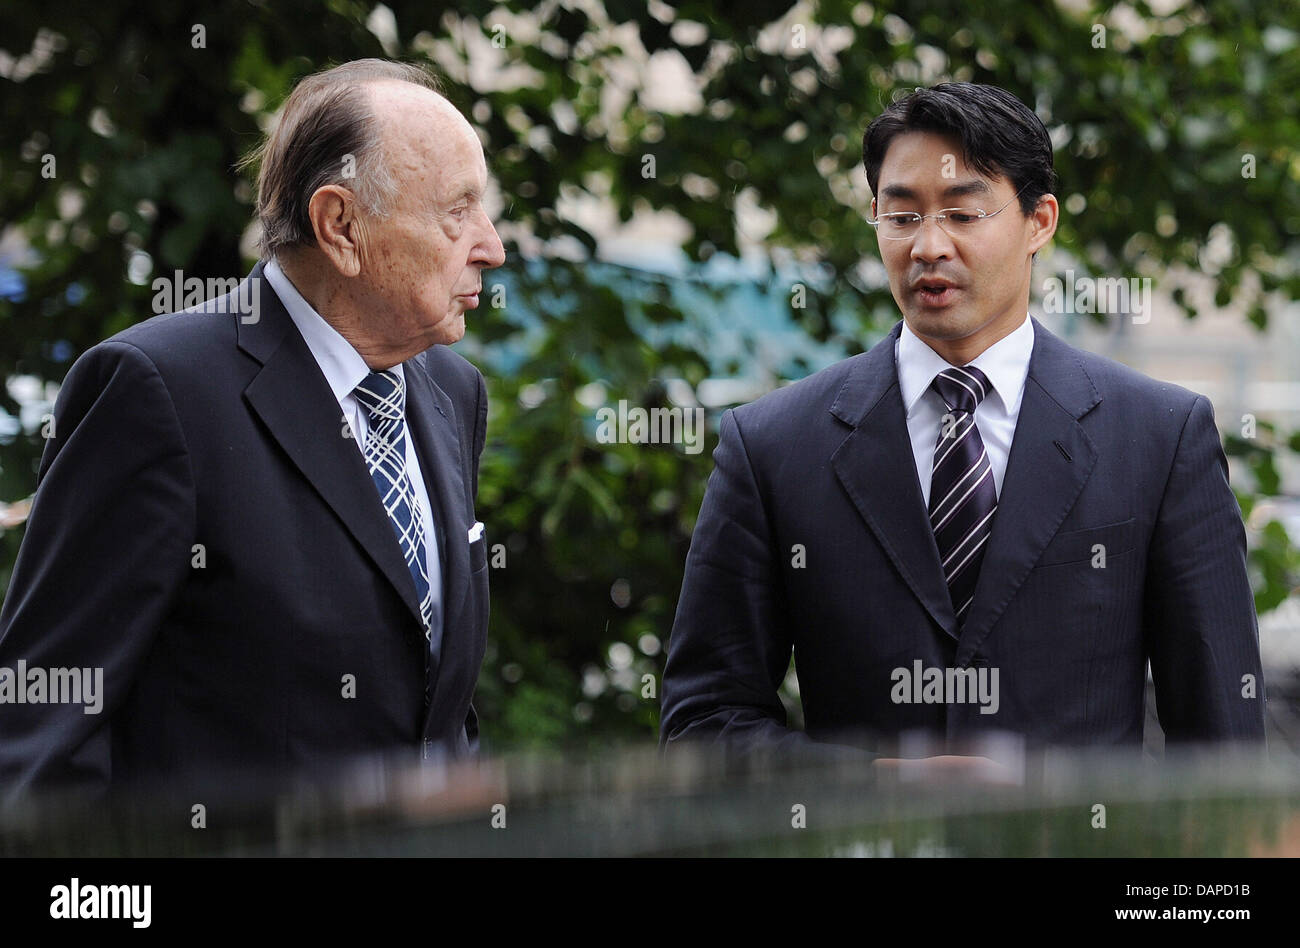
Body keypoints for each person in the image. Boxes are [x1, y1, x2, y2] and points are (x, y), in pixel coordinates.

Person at [660, 82, 1266, 761]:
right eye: (903, 217)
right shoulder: (772, 445)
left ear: (1040, 221)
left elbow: (1223, 748)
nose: (928, 247)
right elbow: (703, 722)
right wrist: (881, 789)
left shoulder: (1158, 437)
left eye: (962, 213)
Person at [0, 59, 506, 804]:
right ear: (341, 226)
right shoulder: (156, 390)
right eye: (457, 212)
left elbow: (435, 714)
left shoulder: (451, 390)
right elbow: (42, 743)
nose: (491, 247)